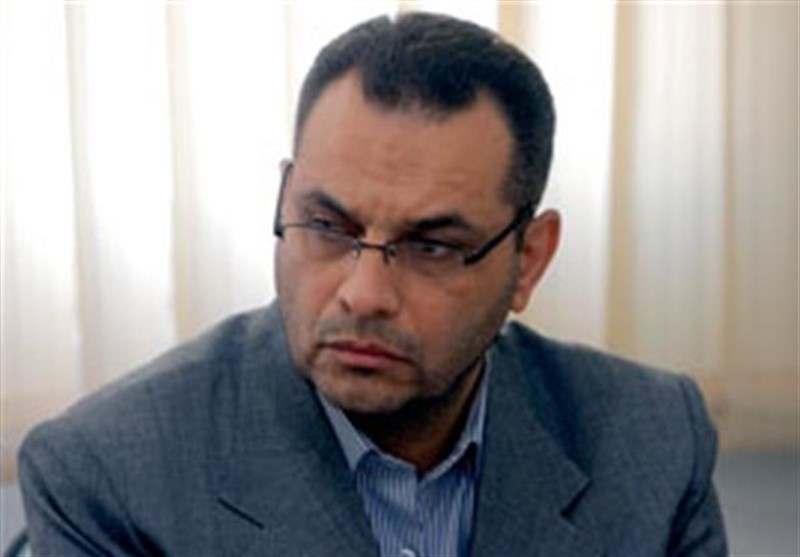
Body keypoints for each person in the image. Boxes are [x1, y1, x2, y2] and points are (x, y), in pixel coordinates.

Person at [18, 12, 727, 557]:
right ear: (285, 201)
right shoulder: (108, 476)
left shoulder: (654, 442)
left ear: (529, 260)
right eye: (327, 226)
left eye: (432, 246)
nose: (362, 293)